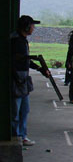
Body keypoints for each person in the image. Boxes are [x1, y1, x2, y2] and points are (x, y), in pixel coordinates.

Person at [10, 15, 50, 146]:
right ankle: (15, 136)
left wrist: (40, 69)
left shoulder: (22, 40)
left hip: (23, 79)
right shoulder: (16, 41)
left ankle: (22, 135)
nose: (33, 28)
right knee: (15, 112)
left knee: (24, 110)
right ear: (26, 26)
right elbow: (16, 60)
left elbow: (26, 59)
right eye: (32, 25)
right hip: (16, 79)